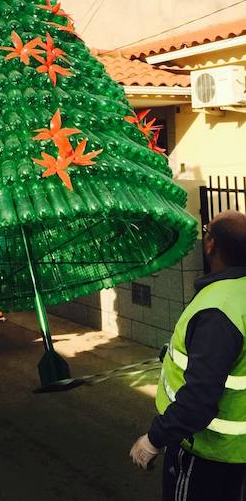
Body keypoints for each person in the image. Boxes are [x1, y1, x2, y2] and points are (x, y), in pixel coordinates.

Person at [130, 209, 246, 499]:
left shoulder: (217, 309)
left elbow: (199, 401)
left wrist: (153, 439)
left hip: (208, 453)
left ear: (210, 244)